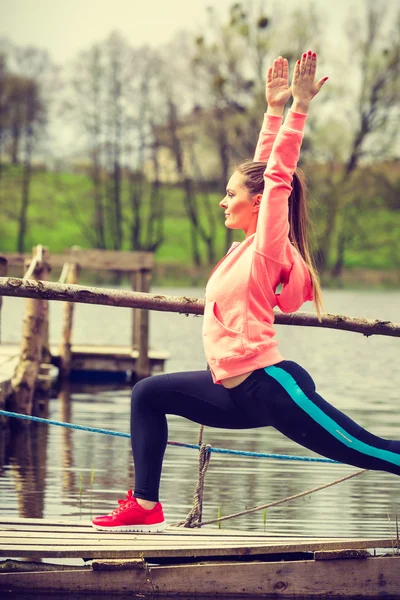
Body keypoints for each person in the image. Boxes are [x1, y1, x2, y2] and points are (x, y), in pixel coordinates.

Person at [92, 52, 400, 533]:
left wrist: (297, 110)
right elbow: (263, 172)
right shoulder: (246, 249)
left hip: (270, 389)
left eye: (230, 194)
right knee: (147, 394)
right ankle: (147, 505)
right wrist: (272, 111)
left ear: (259, 206)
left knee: (370, 450)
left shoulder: (267, 250)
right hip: (232, 391)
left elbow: (275, 177)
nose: (222, 200)